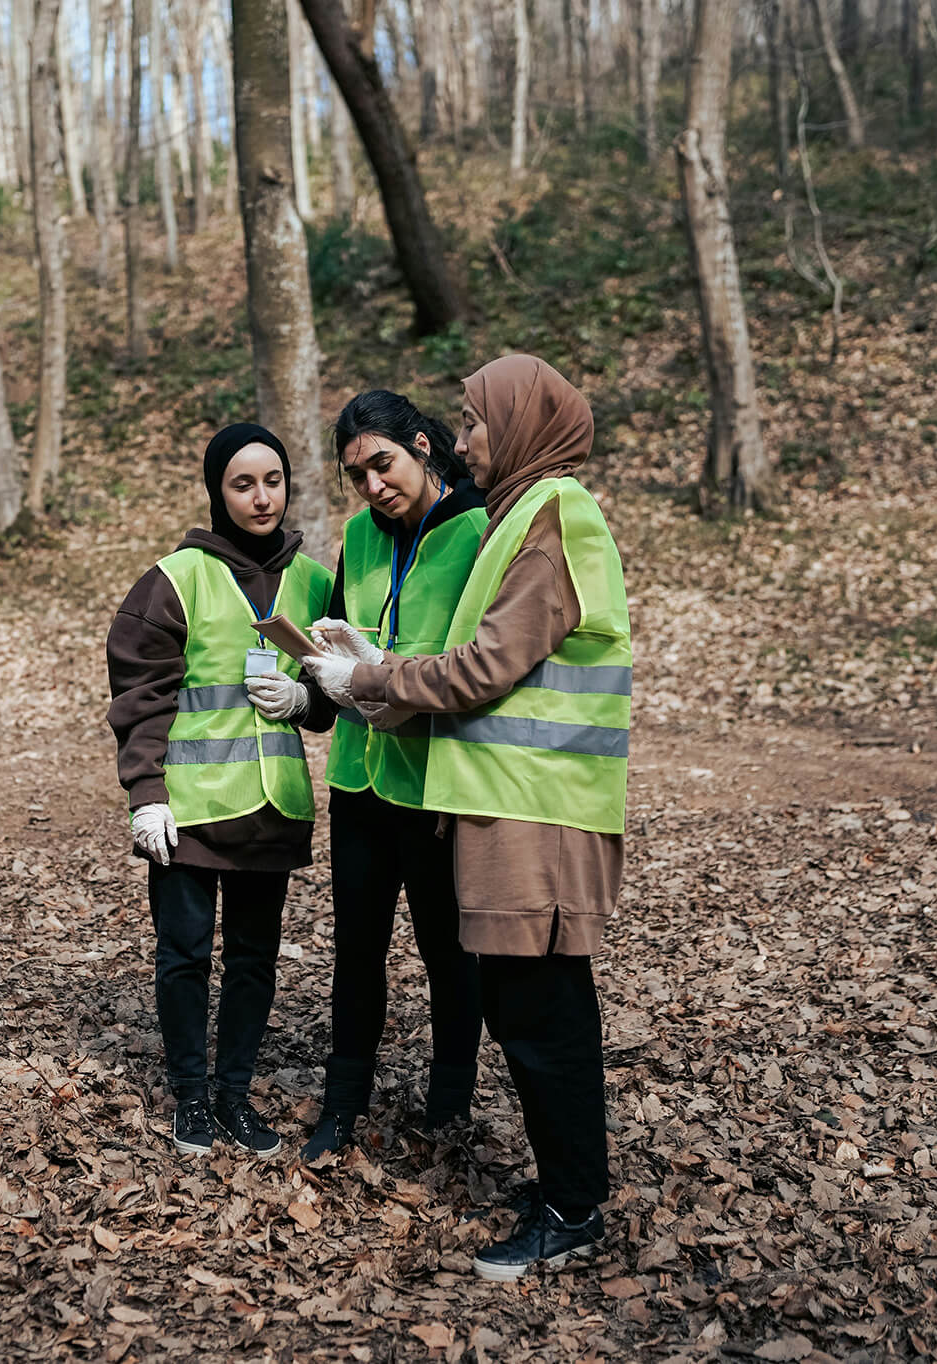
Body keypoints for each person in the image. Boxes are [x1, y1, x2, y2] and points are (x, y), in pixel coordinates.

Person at [303, 356, 629, 1281]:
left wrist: (365, 677)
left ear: (521, 424)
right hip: (505, 807)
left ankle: (572, 1210)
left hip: (540, 811)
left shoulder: (551, 516)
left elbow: (483, 667)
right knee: (534, 1009)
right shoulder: (528, 513)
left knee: (541, 1015)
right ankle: (570, 1185)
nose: (465, 439)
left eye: (475, 420)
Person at [247, 392, 490, 1163]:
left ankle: (450, 1101)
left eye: (382, 464)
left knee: (449, 949)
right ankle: (342, 1103)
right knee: (356, 949)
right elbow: (339, 664)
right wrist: (308, 693)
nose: (373, 487)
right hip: (359, 779)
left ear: (423, 446)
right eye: (358, 475)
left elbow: (481, 665)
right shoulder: (357, 535)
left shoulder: (481, 528)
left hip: (436, 779)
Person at [106, 423, 334, 1158]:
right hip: (191, 810)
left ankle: (235, 1095)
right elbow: (140, 694)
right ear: (217, 492)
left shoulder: (313, 583)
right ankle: (191, 1098)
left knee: (254, 961)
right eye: (243, 483)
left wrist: (307, 704)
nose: (261, 496)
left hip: (272, 809)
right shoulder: (176, 579)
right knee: (183, 955)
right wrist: (146, 794)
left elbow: (335, 692)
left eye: (273, 480)